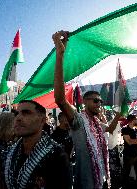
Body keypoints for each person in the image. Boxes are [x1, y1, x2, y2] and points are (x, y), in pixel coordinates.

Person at [53, 30, 121, 189]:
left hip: (101, 178)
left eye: (100, 101)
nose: (99, 103)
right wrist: (60, 55)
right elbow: (60, 99)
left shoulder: (96, 123)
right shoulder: (78, 120)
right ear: (84, 101)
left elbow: (110, 129)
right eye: (96, 100)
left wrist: (119, 114)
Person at [0, 100, 71, 189]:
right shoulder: (9, 152)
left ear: (42, 120)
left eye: (26, 113)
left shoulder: (57, 156)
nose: (18, 118)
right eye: (17, 114)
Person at [121, 114, 137, 189]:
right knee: (126, 172)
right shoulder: (125, 129)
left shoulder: (136, 129)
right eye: (136, 119)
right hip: (129, 154)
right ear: (132, 120)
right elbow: (129, 142)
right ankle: (125, 186)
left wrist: (134, 141)